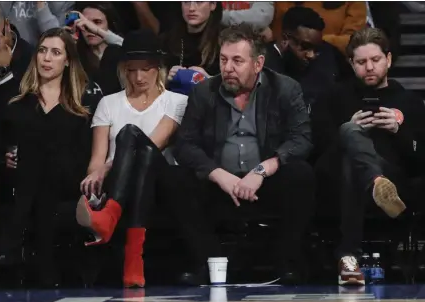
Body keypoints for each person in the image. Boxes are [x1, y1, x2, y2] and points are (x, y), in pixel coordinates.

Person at [170, 23, 315, 284]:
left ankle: (286, 261)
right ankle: (206, 261)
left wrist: (261, 170)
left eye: (237, 61)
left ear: (258, 64)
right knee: (179, 179)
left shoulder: (285, 89)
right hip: (219, 184)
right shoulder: (205, 92)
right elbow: (185, 144)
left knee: (301, 175)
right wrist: (218, 174)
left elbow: (301, 139)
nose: (228, 68)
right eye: (224, 60)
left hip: (264, 183)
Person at [310, 28, 425, 286]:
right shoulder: (332, 97)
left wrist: (400, 131)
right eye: (361, 62)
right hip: (337, 181)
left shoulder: (409, 102)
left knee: (354, 163)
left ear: (389, 60)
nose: (369, 67)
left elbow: (420, 159)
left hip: (394, 185)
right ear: (351, 64)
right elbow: (316, 148)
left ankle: (348, 256)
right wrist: (346, 132)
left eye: (375, 60)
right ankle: (375, 182)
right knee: (350, 135)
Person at [77, 29, 188, 288]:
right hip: (118, 182)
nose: (138, 77)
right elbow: (96, 159)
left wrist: (106, 166)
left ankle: (110, 214)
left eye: (145, 69)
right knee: (128, 139)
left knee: (131, 136)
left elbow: (153, 145)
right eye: (131, 69)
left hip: (161, 181)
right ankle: (133, 259)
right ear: (123, 70)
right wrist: (96, 174)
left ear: (158, 68)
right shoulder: (108, 103)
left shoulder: (176, 101)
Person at [0, 28, 103, 288]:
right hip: (23, 187)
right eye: (42, 51)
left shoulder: (82, 108)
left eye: (55, 52)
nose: (46, 58)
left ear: (67, 61)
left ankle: (13, 248)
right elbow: (2, 147)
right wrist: (4, 158)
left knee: (44, 161)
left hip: (65, 187)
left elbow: (83, 159)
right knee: (30, 159)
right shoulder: (18, 103)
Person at [0, 4, 33, 209]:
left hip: (17, 158)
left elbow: (21, 116)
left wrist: (2, 71)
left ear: (6, 27)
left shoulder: (32, 58)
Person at [264, 6, 339, 109]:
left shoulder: (328, 55)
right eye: (305, 47)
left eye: (316, 49)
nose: (311, 55)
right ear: (285, 39)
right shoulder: (262, 67)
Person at [271, 2, 367, 55]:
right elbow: (277, 31)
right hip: (286, 56)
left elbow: (353, 40)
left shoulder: (354, 3)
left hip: (331, 59)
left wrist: (316, 42)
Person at [163, 1, 223, 83]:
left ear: (213, 5)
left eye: (199, 2)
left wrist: (209, 80)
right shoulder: (168, 39)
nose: (191, 8)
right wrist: (166, 79)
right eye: (186, 2)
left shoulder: (224, 41)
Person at [0, 1, 75, 45]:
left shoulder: (68, 3)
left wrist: (41, 4)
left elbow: (58, 39)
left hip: (45, 62)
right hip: (14, 58)